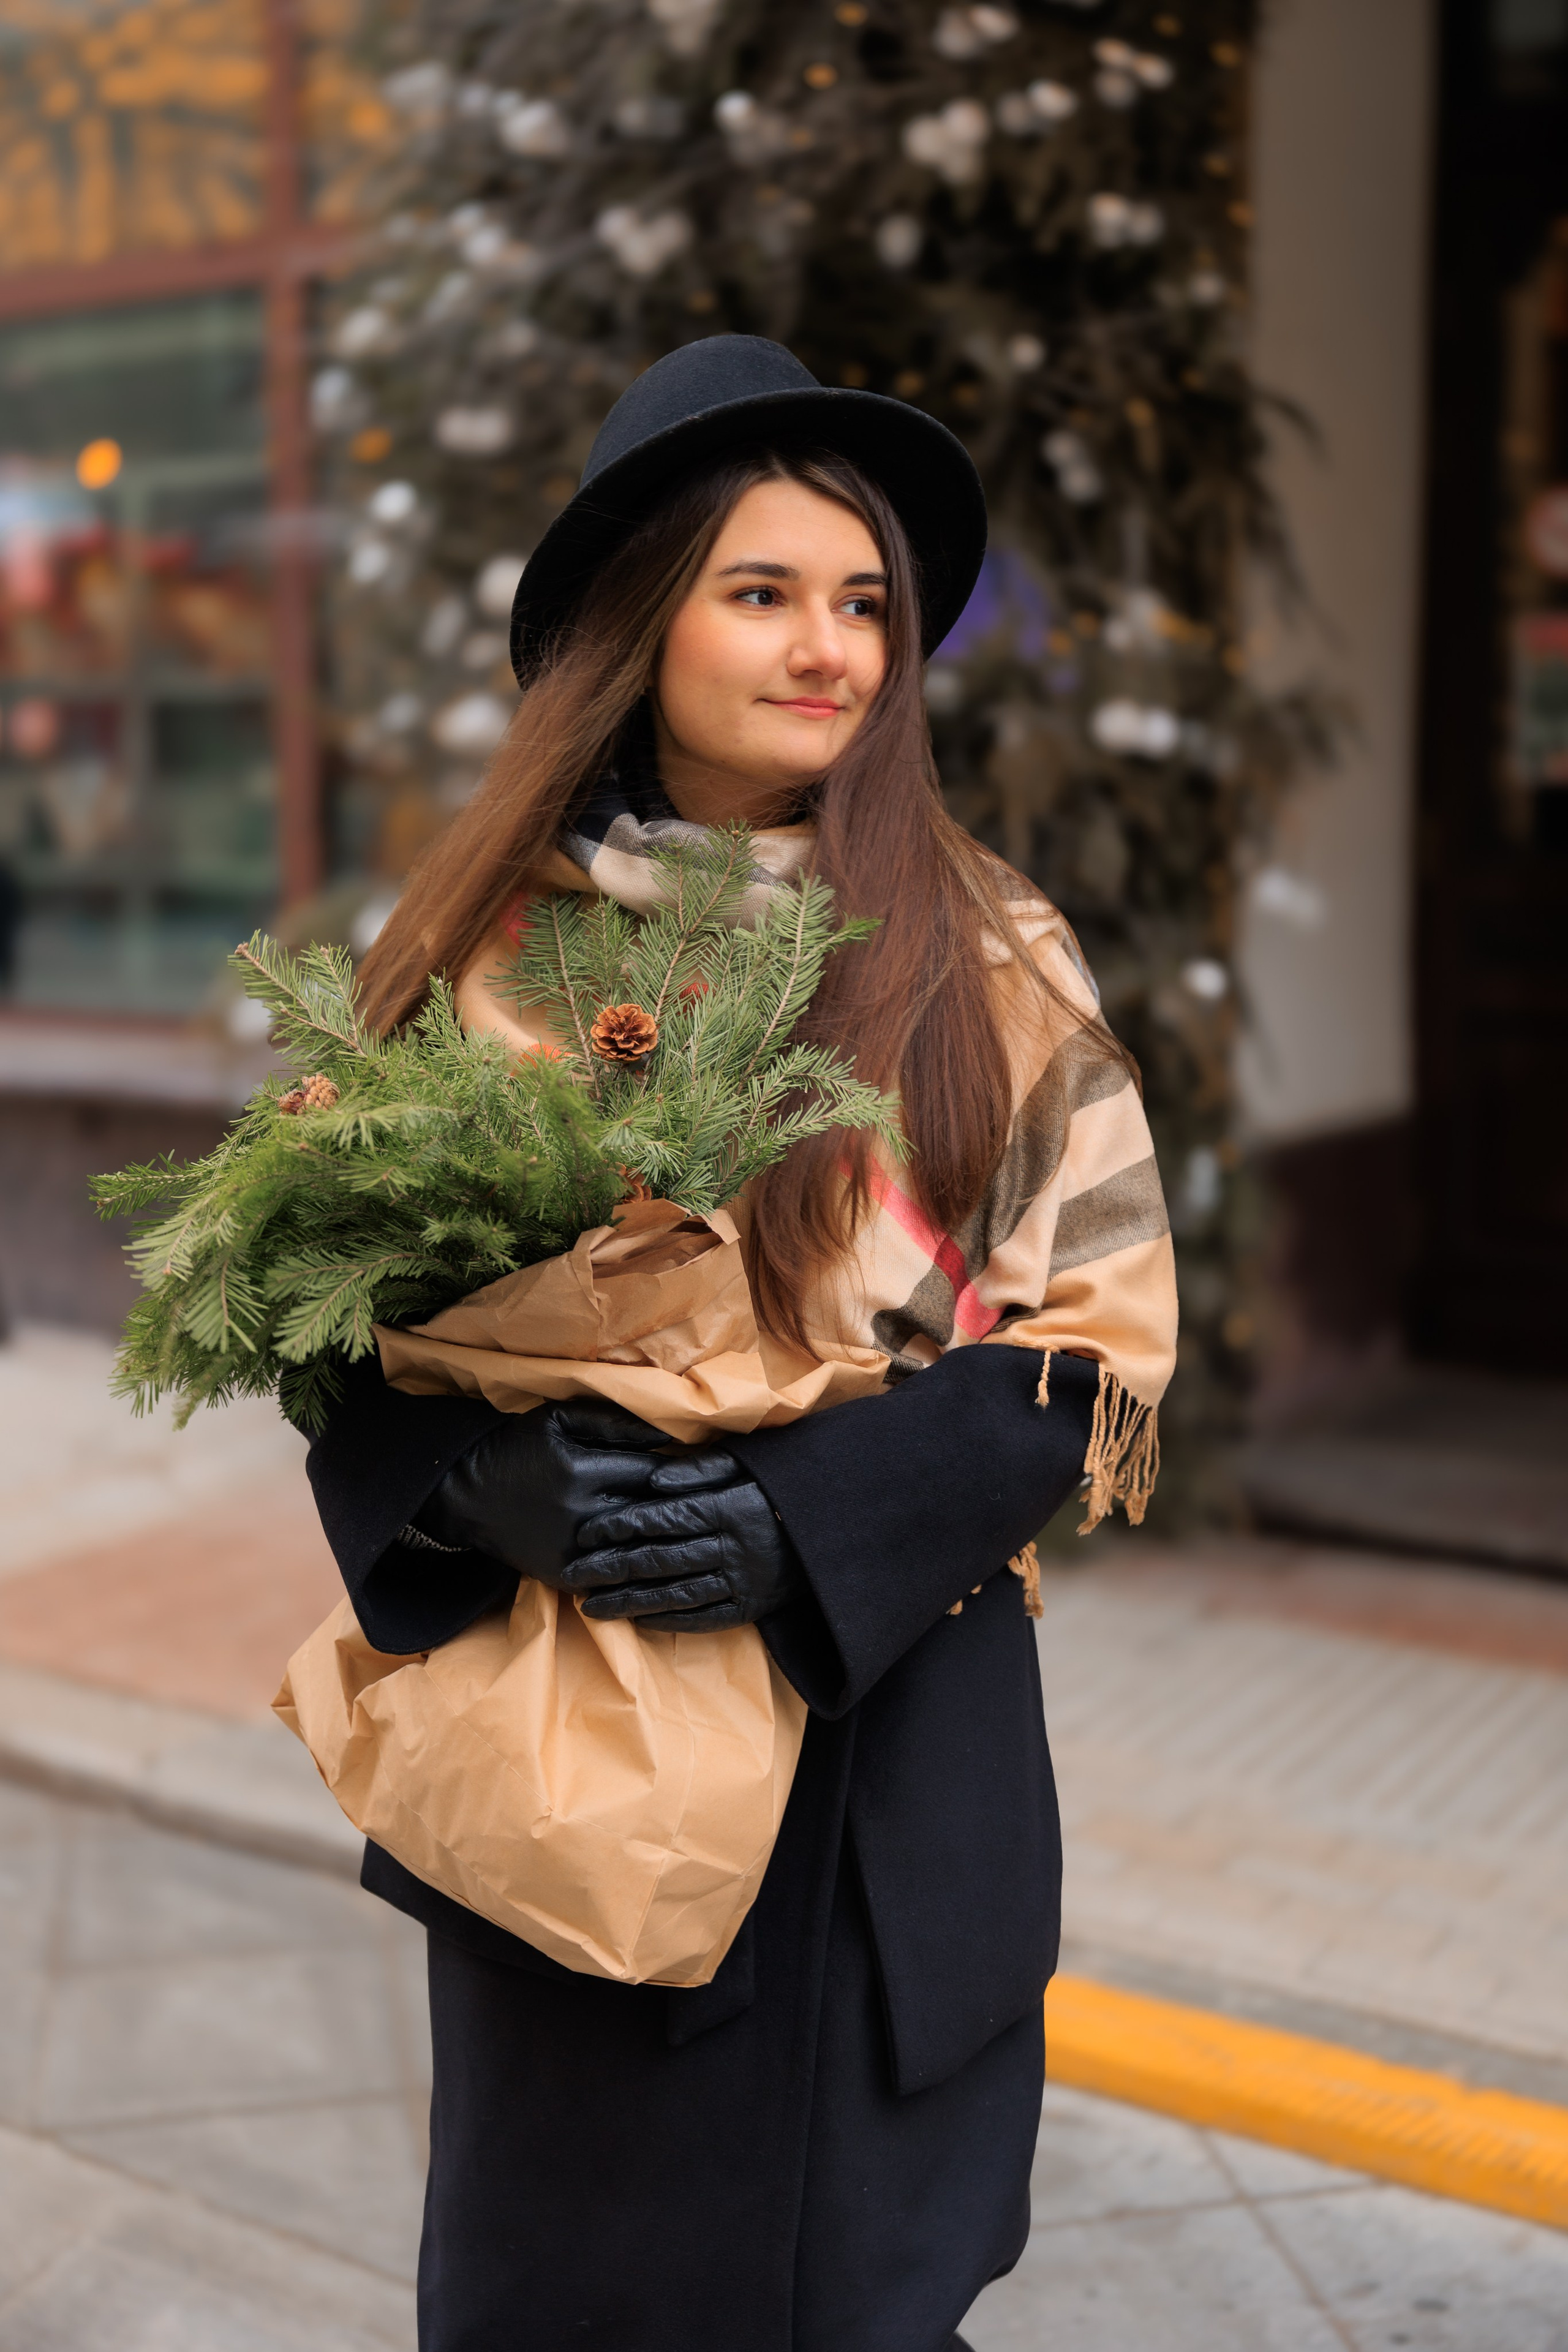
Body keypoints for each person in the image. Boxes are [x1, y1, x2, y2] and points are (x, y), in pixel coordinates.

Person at [307, 336, 1178, 2352]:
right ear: (645, 622)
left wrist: (808, 1522)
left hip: (898, 1773)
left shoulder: (988, 953)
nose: (832, 650)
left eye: (864, 600)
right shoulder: (487, 948)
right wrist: (500, 1486)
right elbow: (322, 1310)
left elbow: (1095, 1343)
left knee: (872, 2307)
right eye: (764, 592)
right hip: (585, 1765)